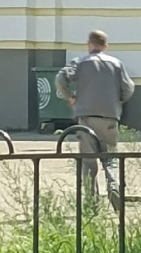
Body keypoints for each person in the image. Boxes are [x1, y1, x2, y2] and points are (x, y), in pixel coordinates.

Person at [55, 31, 134, 209]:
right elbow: (129, 88)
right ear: (105, 46)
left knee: (89, 161)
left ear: (88, 44)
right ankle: (114, 186)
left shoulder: (80, 62)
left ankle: (91, 202)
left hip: (86, 116)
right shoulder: (116, 64)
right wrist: (118, 99)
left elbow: (60, 78)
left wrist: (70, 97)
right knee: (110, 157)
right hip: (110, 116)